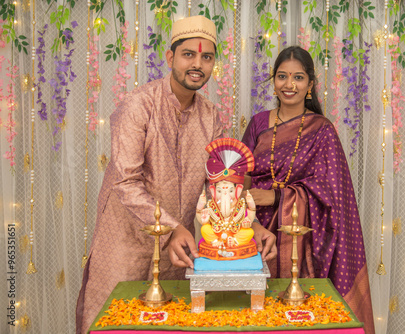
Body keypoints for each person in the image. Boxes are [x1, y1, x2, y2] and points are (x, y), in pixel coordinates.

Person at [76, 16, 276, 334]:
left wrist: (253, 226)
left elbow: (221, 186)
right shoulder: (137, 106)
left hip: (176, 255)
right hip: (125, 248)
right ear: (170, 58)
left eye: (206, 57)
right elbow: (126, 182)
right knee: (116, 325)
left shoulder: (211, 117)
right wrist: (173, 229)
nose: (197, 64)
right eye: (189, 54)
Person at [241, 46, 375, 334]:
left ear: (310, 85)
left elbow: (333, 193)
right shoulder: (258, 124)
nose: (289, 85)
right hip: (255, 230)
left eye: (298, 77)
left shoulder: (323, 130)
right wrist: (248, 214)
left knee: (298, 318)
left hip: (302, 240)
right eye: (282, 76)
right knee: (255, 315)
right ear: (273, 81)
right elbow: (241, 178)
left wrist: (278, 197)